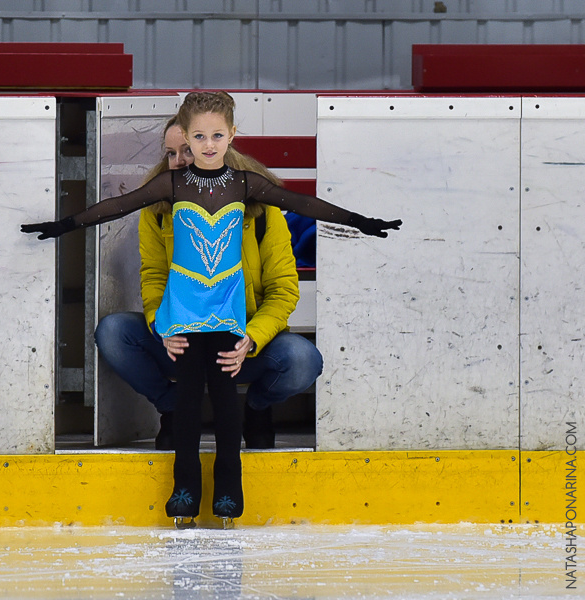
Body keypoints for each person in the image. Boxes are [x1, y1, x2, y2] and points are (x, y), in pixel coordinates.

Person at [22, 91, 401, 522]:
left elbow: (303, 216)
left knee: (241, 389)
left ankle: (235, 465)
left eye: (211, 138)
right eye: (185, 144)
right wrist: (63, 226)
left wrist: (363, 222)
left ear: (231, 137)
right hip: (181, 322)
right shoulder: (166, 193)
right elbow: (128, 234)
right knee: (176, 390)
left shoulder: (250, 193)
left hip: (235, 322)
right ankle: (184, 482)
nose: (196, 151)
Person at [93, 117, 322, 452]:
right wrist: (162, 326)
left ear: (220, 147)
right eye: (171, 153)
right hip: (184, 340)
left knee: (302, 359)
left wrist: (252, 339)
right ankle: (173, 409)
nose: (180, 161)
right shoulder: (157, 209)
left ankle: (257, 411)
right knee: (113, 332)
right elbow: (154, 278)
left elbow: (283, 291)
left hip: (239, 344)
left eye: (188, 149)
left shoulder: (262, 208)